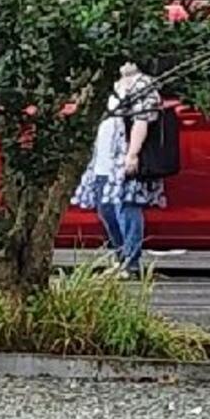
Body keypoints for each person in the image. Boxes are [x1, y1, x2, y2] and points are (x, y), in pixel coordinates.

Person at [72, 57, 165, 278]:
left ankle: (131, 262)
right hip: (103, 156)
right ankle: (120, 256)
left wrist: (132, 153)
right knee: (105, 208)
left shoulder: (143, 84)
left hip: (124, 154)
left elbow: (142, 121)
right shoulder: (109, 84)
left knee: (127, 206)